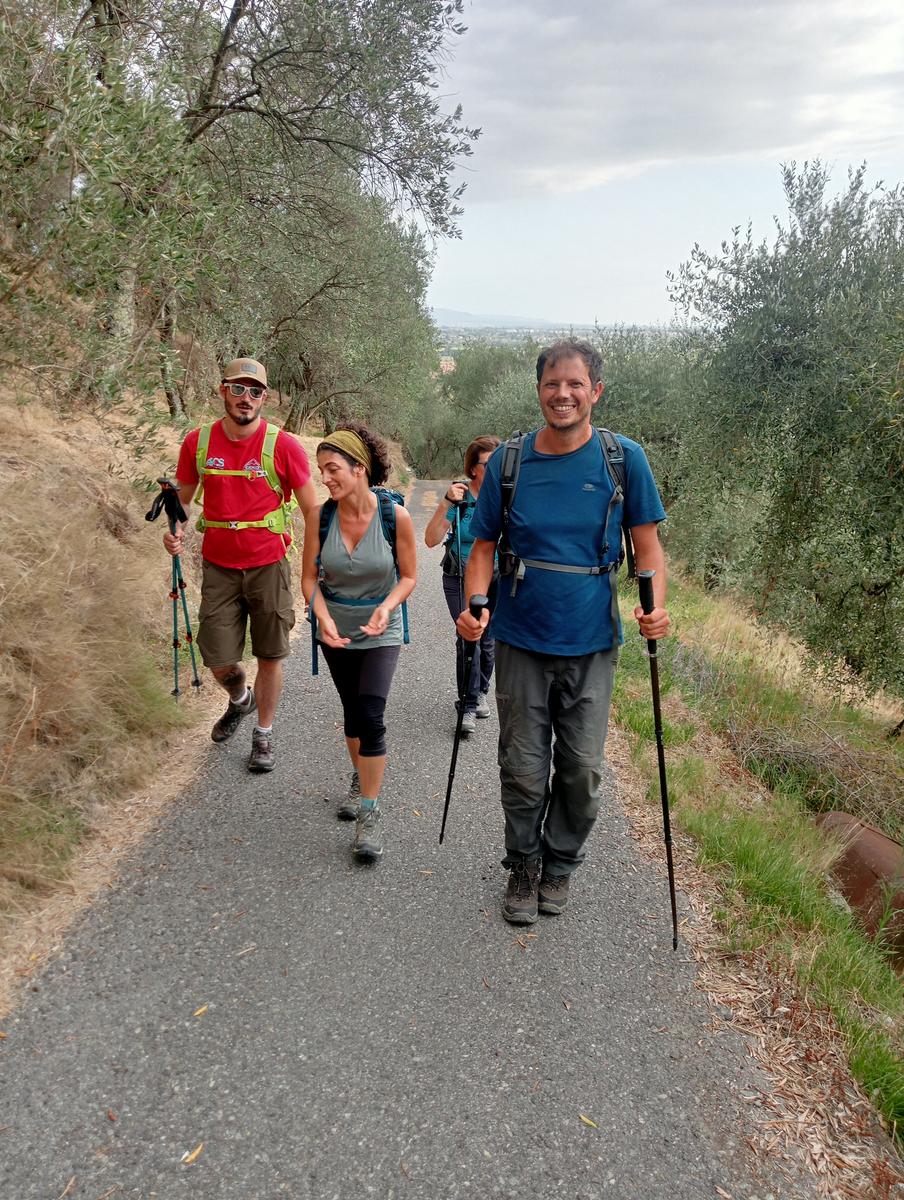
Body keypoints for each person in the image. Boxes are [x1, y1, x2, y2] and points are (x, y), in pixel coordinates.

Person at [457, 339, 669, 924]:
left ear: (595, 392)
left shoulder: (624, 460)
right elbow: (482, 549)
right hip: (521, 638)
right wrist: (476, 605)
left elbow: (648, 548)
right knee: (522, 767)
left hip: (593, 642)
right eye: (552, 383)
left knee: (582, 769)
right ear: (539, 390)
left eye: (575, 384)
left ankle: (561, 863)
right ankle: (523, 865)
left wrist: (656, 608)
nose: (563, 394)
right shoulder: (510, 462)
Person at [163, 357, 317, 772]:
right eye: (237, 388)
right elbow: (184, 499)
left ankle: (263, 734)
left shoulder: (282, 445)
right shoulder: (197, 442)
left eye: (254, 391)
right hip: (219, 566)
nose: (245, 398)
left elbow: (312, 510)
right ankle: (239, 699)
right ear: (222, 391)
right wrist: (174, 530)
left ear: (265, 397)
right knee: (217, 658)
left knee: (270, 655)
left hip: (269, 565)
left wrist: (312, 571)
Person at [301, 423, 416, 862]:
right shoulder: (320, 516)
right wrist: (323, 616)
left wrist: (387, 608)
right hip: (335, 625)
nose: (325, 478)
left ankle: (370, 812)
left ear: (359, 468)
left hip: (380, 627)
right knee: (352, 712)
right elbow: (309, 579)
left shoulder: (394, 517)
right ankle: (359, 776)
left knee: (370, 712)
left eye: (332, 469)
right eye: (321, 470)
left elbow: (408, 576)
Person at [423, 436, 501, 736]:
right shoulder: (462, 498)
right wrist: (446, 502)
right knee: (468, 636)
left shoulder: (504, 497)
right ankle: (467, 705)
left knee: (490, 640)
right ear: (473, 468)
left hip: (495, 577)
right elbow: (430, 539)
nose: (494, 469)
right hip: (458, 576)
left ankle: (481, 690)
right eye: (488, 464)